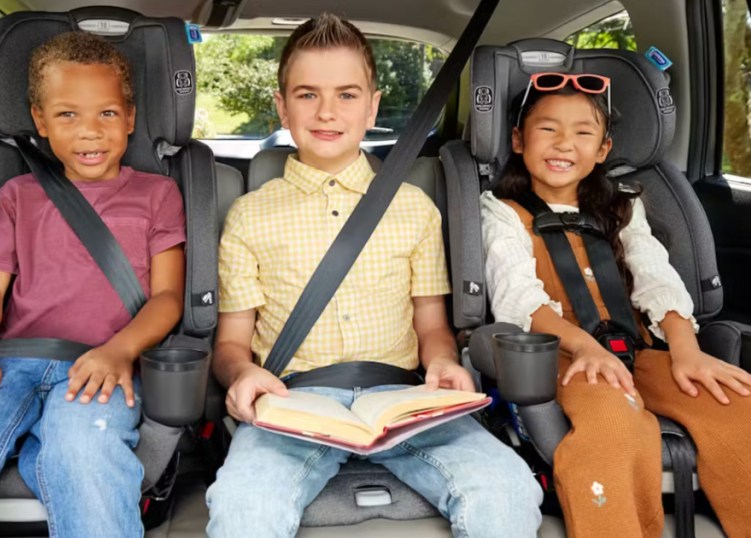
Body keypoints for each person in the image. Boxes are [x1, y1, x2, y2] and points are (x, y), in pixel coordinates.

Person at [205, 13, 543, 538]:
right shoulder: (250, 214)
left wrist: (445, 363)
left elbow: (431, 325)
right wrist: (240, 374)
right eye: (306, 94)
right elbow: (231, 343)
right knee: (241, 507)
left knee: (509, 489)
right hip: (295, 404)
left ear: (373, 106)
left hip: (404, 399)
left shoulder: (414, 209)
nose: (326, 112)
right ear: (281, 105)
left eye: (346, 94)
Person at [0, 31, 186, 537]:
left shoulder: (158, 194)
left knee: (84, 447)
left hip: (101, 363)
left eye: (107, 114)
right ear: (40, 121)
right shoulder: (17, 194)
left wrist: (120, 350)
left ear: (130, 118)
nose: (90, 132)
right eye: (67, 115)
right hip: (7, 359)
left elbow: (169, 297)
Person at [481, 72, 751, 537]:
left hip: (641, 353)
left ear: (603, 149)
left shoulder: (623, 207)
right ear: (518, 139)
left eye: (583, 132)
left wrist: (686, 350)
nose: (564, 144)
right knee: (615, 427)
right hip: (560, 361)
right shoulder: (501, 212)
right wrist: (585, 349)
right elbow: (519, 298)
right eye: (547, 128)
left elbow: (656, 277)